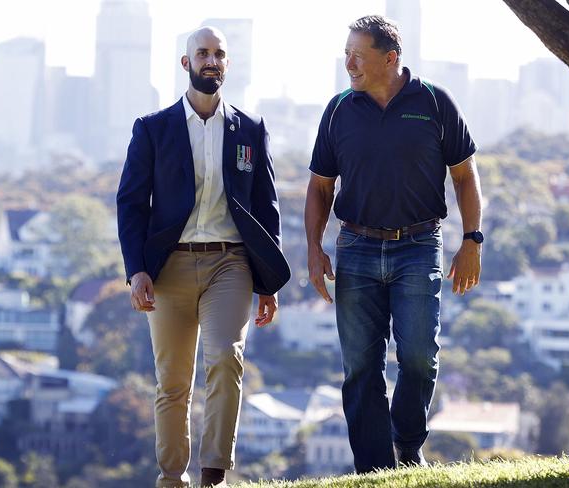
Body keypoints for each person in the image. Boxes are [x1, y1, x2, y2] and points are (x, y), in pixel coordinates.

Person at [305, 15, 483, 473]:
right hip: (356, 248)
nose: (348, 64)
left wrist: (472, 240)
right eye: (345, 54)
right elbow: (320, 186)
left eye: (357, 56)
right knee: (361, 367)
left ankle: (407, 445)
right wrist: (313, 248)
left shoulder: (434, 102)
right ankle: (373, 469)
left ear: (390, 58)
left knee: (420, 355)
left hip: (420, 245)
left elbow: (464, 176)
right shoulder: (339, 109)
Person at [117, 27, 290, 488]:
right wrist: (136, 270)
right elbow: (132, 203)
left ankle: (214, 474)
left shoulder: (250, 128)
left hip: (230, 263)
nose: (211, 61)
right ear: (186, 63)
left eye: (219, 54)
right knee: (172, 382)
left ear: (227, 64)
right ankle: (172, 478)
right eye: (202, 54)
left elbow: (266, 205)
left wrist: (267, 282)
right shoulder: (152, 129)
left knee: (224, 359)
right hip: (168, 265)